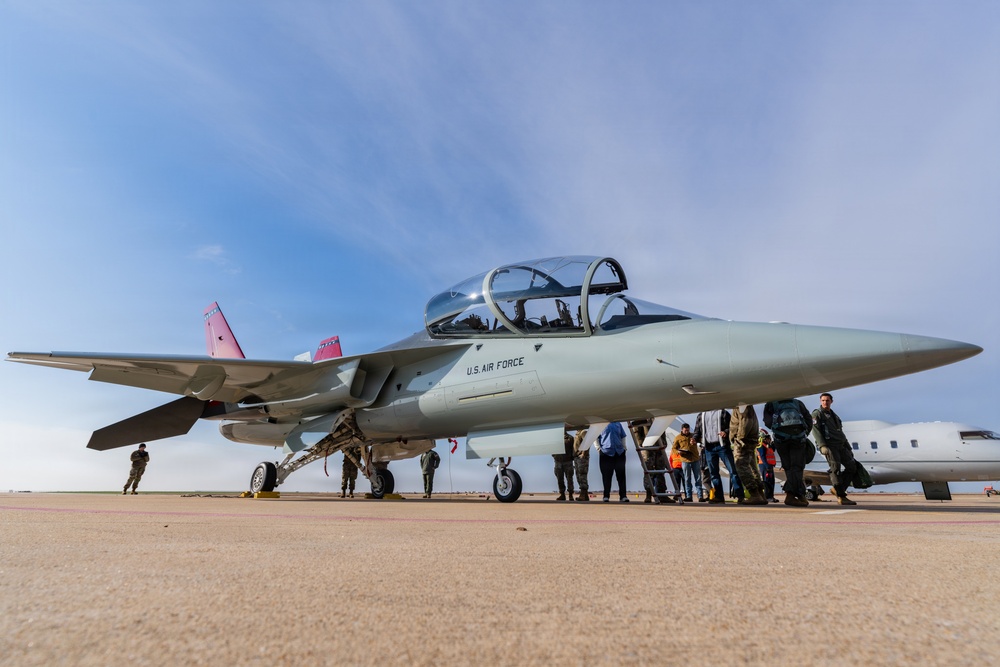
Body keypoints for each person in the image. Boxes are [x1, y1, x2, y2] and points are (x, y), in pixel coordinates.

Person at [763, 398, 814, 507]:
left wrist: (778, 430)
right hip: (798, 439)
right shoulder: (797, 403)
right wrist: (804, 433)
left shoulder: (771, 403)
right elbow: (808, 419)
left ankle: (797, 494)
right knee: (797, 467)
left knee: (788, 467)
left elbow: (767, 422)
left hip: (781, 440)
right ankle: (792, 495)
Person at [812, 393, 859, 505]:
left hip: (841, 445)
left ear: (831, 401)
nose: (825, 402)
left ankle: (837, 489)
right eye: (823, 400)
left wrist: (848, 447)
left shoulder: (834, 416)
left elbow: (840, 432)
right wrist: (822, 445)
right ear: (820, 401)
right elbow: (816, 430)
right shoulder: (817, 414)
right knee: (835, 469)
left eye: (827, 400)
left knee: (852, 467)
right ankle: (841, 496)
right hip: (830, 446)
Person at [693, 409, 744, 503]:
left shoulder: (723, 413)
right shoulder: (701, 415)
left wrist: (725, 432)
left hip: (722, 446)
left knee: (732, 471)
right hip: (709, 448)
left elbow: (732, 427)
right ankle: (719, 497)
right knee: (713, 473)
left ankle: (740, 496)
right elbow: (697, 431)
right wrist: (694, 439)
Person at [729, 404, 768, 505]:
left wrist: (739, 438)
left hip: (743, 441)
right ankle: (760, 494)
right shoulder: (749, 406)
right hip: (750, 440)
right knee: (752, 468)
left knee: (741, 467)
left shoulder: (741, 406)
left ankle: (754, 494)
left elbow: (745, 421)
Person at [671, 423, 703, 502]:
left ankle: (700, 496)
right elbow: (674, 449)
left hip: (695, 459)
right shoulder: (678, 437)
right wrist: (678, 452)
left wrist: (696, 441)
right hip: (685, 460)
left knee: (698, 478)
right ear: (682, 430)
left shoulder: (693, 436)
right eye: (685, 430)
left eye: (688, 430)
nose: (687, 432)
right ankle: (689, 496)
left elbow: (701, 441)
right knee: (687, 479)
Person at [598, 422, 629, 502]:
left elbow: (623, 436)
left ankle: (623, 496)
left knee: (621, 475)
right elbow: (595, 437)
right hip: (606, 452)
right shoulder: (600, 424)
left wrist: (624, 448)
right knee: (606, 476)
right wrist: (598, 448)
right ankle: (606, 496)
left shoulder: (618, 424)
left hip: (619, 452)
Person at [553, 432, 576, 501]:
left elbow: (573, 449)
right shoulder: (555, 438)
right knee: (559, 478)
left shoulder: (570, 438)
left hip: (568, 461)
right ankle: (562, 494)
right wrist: (554, 456)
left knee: (569, 478)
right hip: (558, 461)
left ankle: (570, 494)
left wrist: (572, 458)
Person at [756, 430, 778, 502]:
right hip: (765, 466)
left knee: (771, 482)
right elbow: (762, 457)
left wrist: (773, 444)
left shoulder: (767, 446)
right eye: (768, 438)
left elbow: (773, 450)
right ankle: (767, 497)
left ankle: (771, 496)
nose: (769, 439)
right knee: (767, 482)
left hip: (769, 466)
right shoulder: (761, 446)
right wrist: (767, 466)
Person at [573, 429, 590, 501]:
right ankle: (585, 495)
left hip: (581, 458)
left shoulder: (583, 432)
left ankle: (583, 494)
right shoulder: (577, 433)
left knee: (582, 475)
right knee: (578, 476)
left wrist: (584, 454)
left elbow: (587, 442)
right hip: (577, 457)